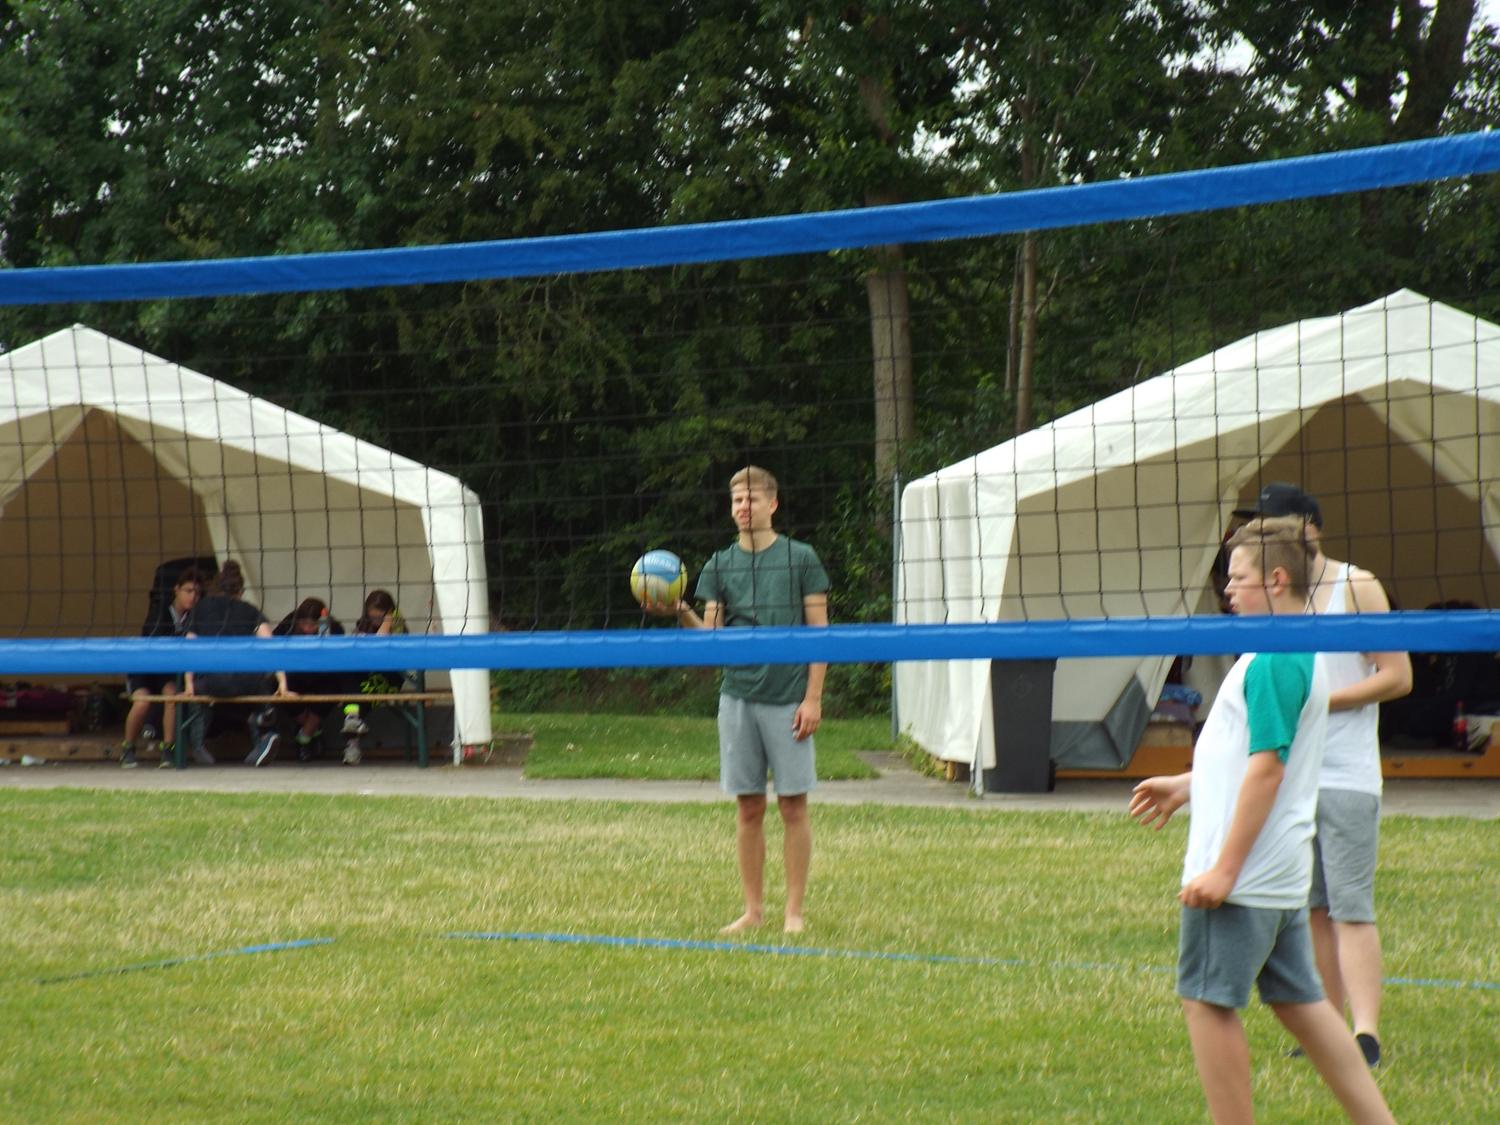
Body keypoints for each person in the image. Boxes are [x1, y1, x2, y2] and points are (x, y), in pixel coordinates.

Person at [1129, 516, 1394, 1124]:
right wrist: (1188, 785)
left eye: (1238, 578)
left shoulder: (1274, 658)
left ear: (1276, 579)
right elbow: (1259, 756)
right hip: (1278, 875)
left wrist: (1225, 870)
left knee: (1206, 1003)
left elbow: (1269, 769)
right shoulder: (1294, 650)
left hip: (1245, 878)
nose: (1227, 589)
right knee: (1303, 1003)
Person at [1235, 482, 1412, 1067]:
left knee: (1350, 908)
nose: (1264, 535)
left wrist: (1319, 704)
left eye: (1274, 525)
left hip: (1347, 775)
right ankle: (1327, 1028)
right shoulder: (1269, 593)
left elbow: (1398, 676)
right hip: (1293, 775)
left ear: (1308, 528)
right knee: (1310, 909)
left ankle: (1366, 1036)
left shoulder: (1355, 585)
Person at [648, 465, 829, 935]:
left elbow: (821, 635)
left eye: (752, 499)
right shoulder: (719, 564)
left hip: (788, 698)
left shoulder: (801, 558)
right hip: (737, 698)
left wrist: (813, 698)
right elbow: (711, 640)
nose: (744, 507)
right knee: (749, 808)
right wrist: (680, 610)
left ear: (773, 503)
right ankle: (753, 910)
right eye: (737, 501)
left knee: (793, 806)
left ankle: (793, 913)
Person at [184, 561, 292, 767]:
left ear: (216, 586)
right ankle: (262, 732)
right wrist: (283, 684)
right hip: (246, 682)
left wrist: (189, 685)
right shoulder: (249, 611)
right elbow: (271, 647)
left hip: (211, 683)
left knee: (197, 695)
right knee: (264, 685)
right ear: (241, 591)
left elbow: (189, 649)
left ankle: (197, 744)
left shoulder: (201, 609)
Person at [120, 567, 203, 768]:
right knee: (142, 702)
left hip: (167, 672)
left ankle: (167, 749)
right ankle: (128, 747)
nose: (193, 597)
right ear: (176, 590)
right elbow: (154, 642)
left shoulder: (195, 619)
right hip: (144, 668)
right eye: (188, 591)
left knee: (172, 696)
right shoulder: (159, 613)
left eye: (197, 593)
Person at [272, 597, 355, 763]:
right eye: (304, 624)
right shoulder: (289, 623)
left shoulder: (333, 627)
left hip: (322, 676)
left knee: (334, 686)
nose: (308, 629)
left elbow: (339, 657)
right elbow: (272, 647)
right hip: (295, 674)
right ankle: (313, 730)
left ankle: (304, 737)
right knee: (278, 687)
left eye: (312, 625)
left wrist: (327, 641)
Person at [338, 589, 412, 763]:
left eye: (379, 617)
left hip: (390, 675)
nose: (375, 621)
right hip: (367, 673)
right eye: (372, 617)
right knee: (347, 677)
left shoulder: (397, 624)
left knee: (358, 693)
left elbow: (380, 642)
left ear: (389, 612)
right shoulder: (363, 624)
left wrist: (388, 620)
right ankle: (353, 725)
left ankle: (352, 743)